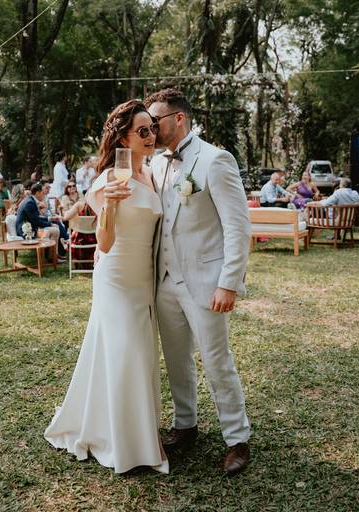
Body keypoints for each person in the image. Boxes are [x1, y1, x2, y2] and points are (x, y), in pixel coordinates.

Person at [44, 99, 167, 474]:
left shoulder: (153, 173)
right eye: (142, 131)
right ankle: (125, 444)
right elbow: (105, 243)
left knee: (141, 353)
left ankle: (138, 431)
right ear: (123, 139)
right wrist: (110, 207)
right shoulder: (109, 180)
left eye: (152, 128)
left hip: (144, 277)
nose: (150, 135)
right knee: (126, 351)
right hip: (116, 276)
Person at [147, 88, 251, 476]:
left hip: (206, 281)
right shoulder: (155, 164)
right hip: (165, 282)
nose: (150, 129)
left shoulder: (215, 160)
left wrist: (228, 283)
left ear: (179, 119)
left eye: (155, 121)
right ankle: (185, 424)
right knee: (176, 360)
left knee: (216, 361)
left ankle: (237, 439)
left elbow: (237, 227)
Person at [15, 182, 67, 259]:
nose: (44, 195)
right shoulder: (30, 203)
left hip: (32, 226)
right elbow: (37, 222)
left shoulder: (31, 200)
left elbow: (36, 218)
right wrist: (50, 224)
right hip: (27, 231)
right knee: (53, 229)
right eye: (42, 193)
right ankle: (51, 256)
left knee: (55, 229)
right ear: (37, 193)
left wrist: (50, 219)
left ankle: (53, 255)